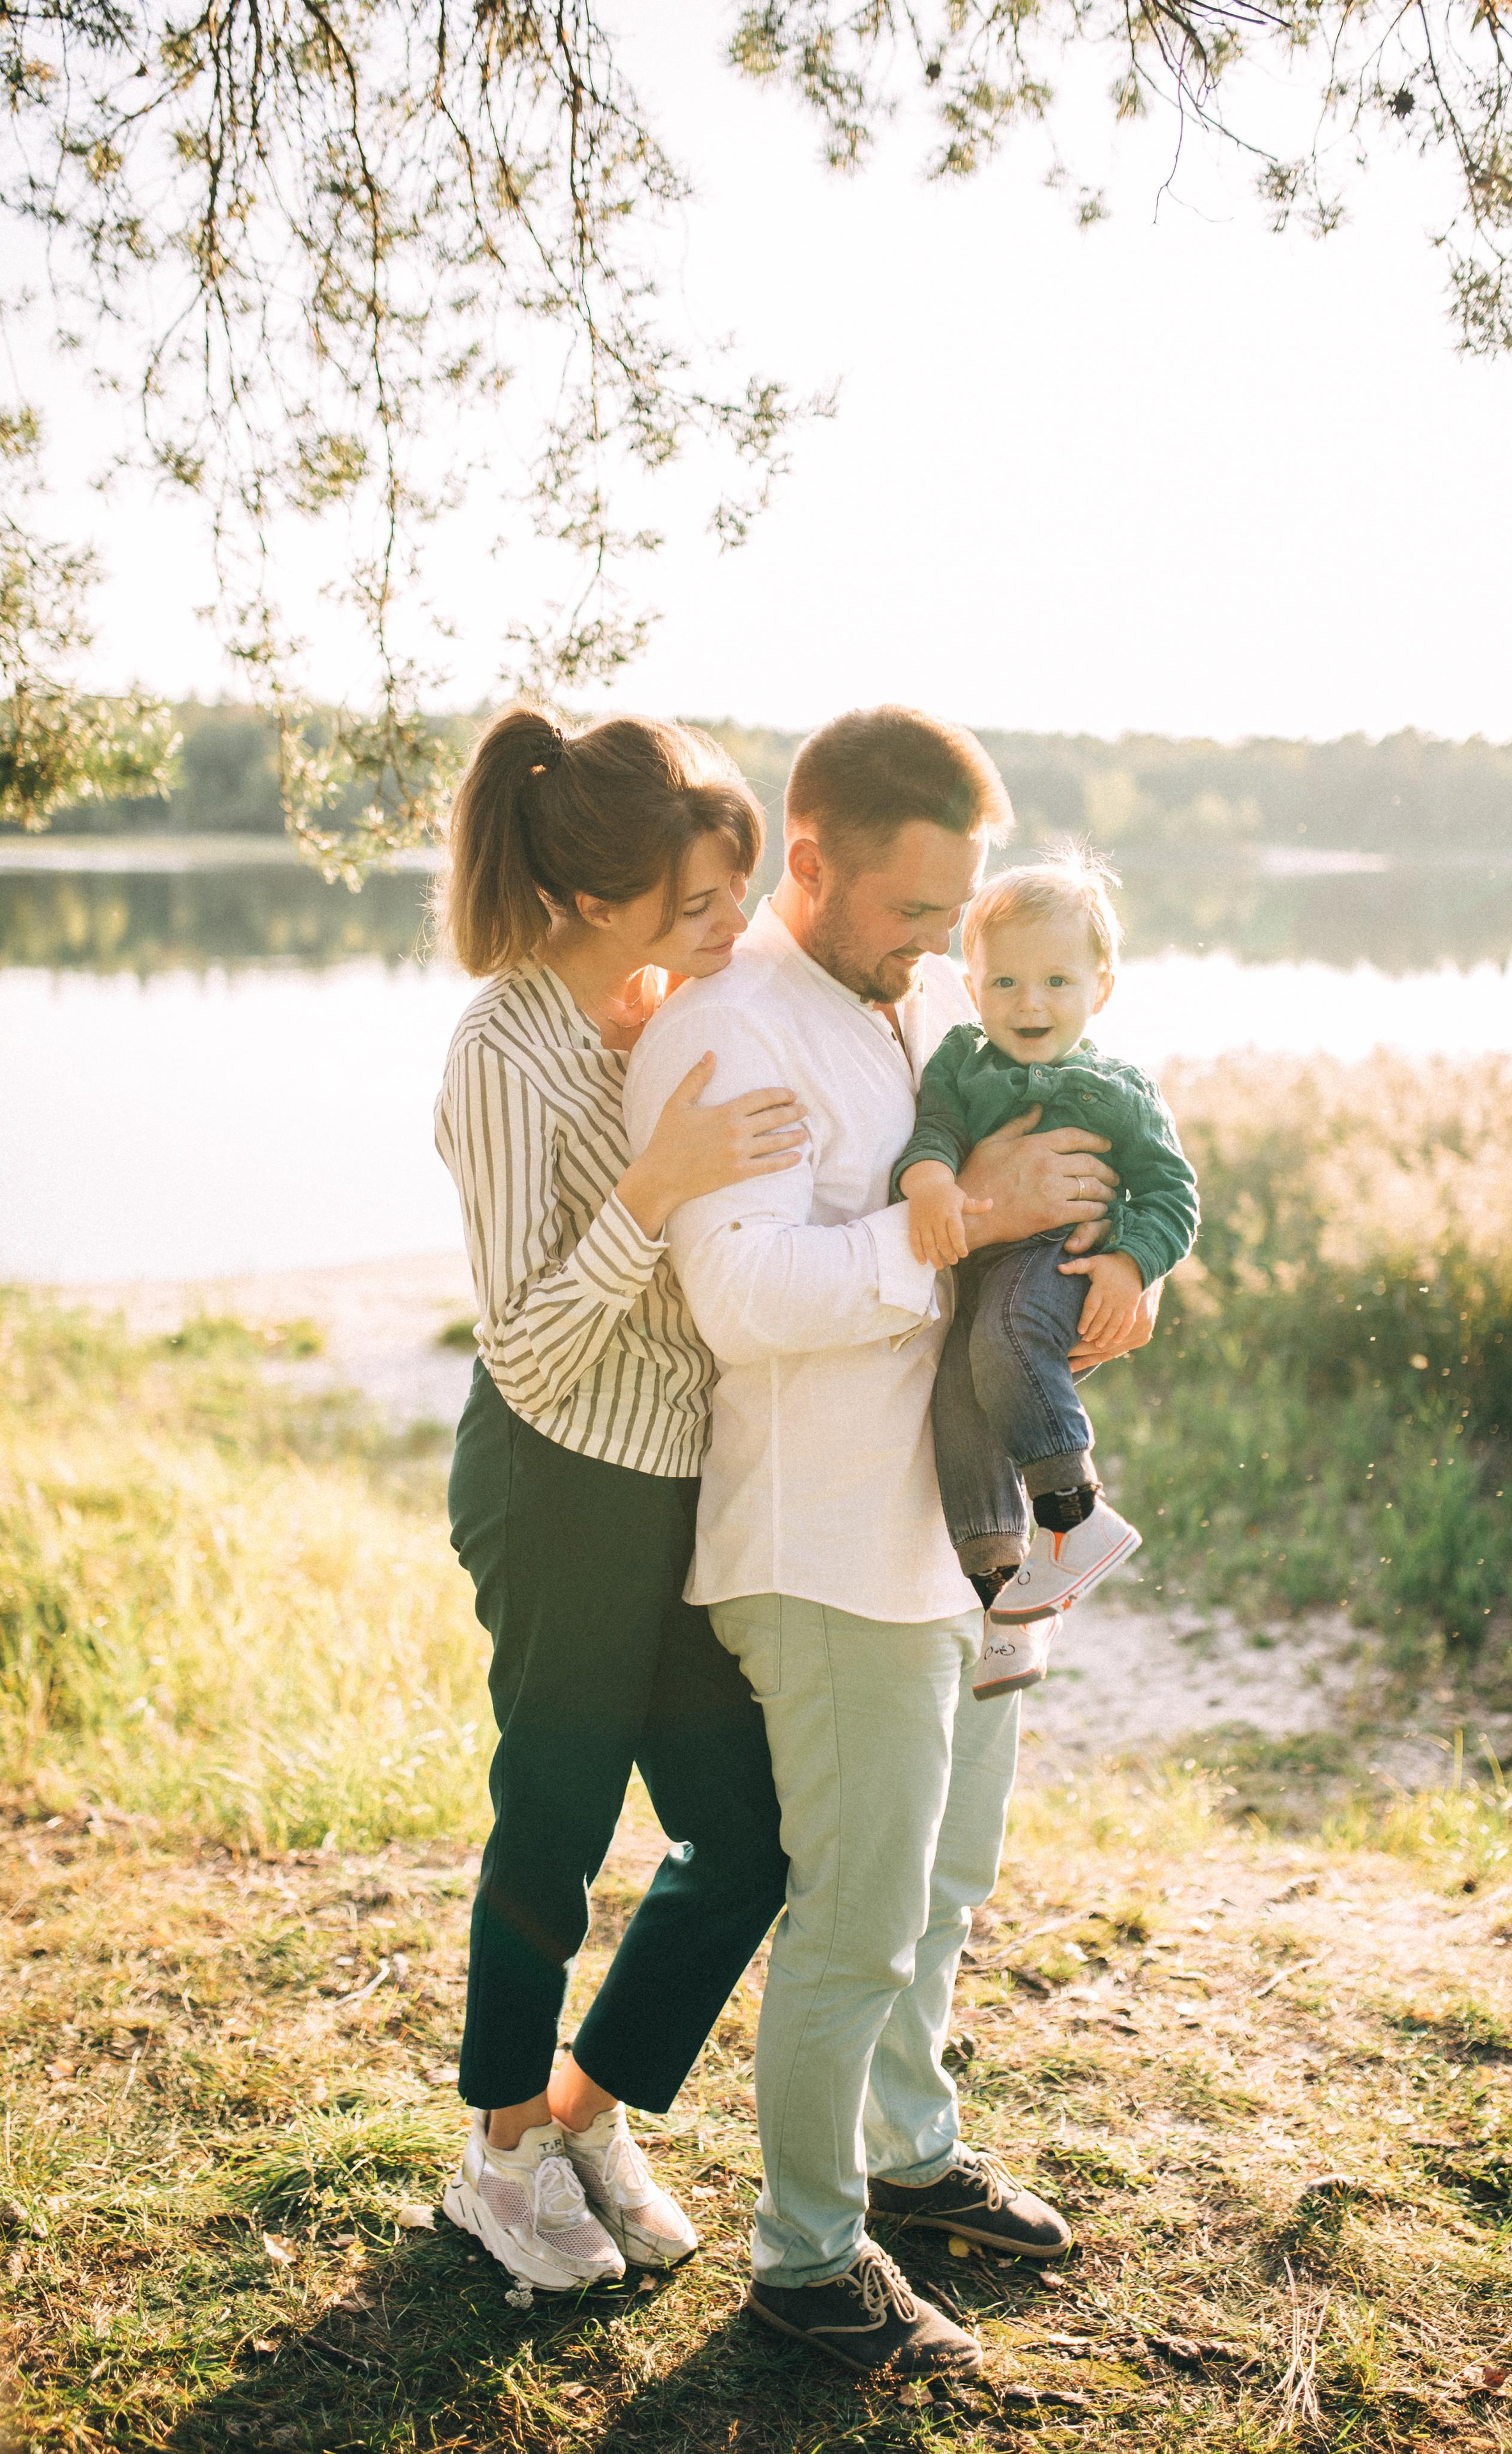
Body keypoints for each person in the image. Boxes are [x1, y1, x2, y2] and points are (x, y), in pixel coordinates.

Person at [624, 706, 1162, 2382]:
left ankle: (912, 2164)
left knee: (945, 1886)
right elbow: (748, 1297)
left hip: (966, 1541)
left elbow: (1079, 1158)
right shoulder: (729, 1036)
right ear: (812, 864)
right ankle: (801, 2264)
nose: (951, 945)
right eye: (921, 911)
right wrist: (970, 1224)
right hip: (827, 1551)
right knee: (856, 1911)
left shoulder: (937, 1006)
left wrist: (1124, 1262)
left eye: (967, 910)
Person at [432, 704, 803, 2293]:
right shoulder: (503, 1051)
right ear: (591, 897)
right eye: (704, 901)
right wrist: (660, 1181)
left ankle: (584, 2105)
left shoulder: (639, 1011)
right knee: (557, 1823)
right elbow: (521, 1342)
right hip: (556, 1475)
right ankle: (501, 2149)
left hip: (668, 1481)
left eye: (742, 890)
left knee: (747, 1834)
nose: (739, 926)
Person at [892, 853, 1200, 1699]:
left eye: (1057, 982)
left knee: (1006, 1335)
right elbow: (934, 1135)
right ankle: (1008, 1599)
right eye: (1006, 983)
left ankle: (1073, 1509)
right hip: (987, 1271)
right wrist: (928, 1182)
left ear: (1101, 989)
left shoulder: (1115, 1089)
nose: (1030, 1005)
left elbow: (1173, 1194)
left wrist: (1133, 1268)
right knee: (960, 1399)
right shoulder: (960, 1061)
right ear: (971, 981)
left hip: (1063, 1262)